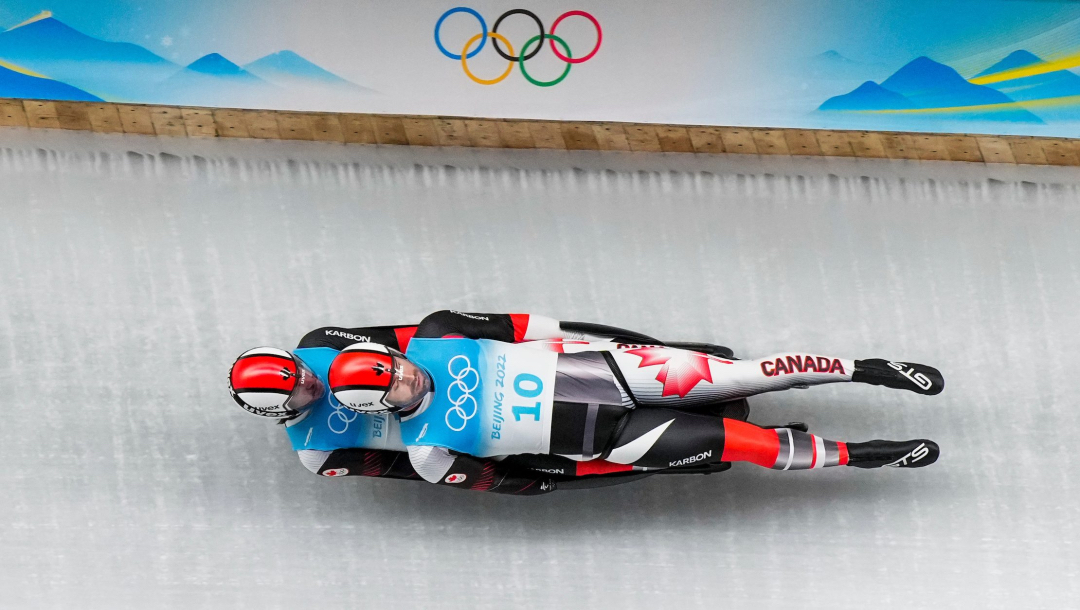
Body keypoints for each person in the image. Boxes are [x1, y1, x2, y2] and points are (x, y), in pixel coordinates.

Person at [325, 311, 945, 495]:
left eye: (398, 365)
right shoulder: (430, 452)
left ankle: (868, 369)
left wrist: (613, 339)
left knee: (751, 375)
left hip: (615, 370)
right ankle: (860, 455)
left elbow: (527, 324)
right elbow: (507, 481)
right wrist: (568, 479)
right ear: (383, 404)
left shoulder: (438, 333)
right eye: (394, 384)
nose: (406, 377)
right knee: (743, 444)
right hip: (610, 436)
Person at [229, 311, 736, 493]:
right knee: (569, 462)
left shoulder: (322, 340)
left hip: (481, 377)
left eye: (297, 372)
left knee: (578, 353)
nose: (307, 383)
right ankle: (701, 457)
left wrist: (490, 333)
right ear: (277, 410)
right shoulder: (319, 454)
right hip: (470, 435)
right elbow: (399, 468)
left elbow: (402, 339)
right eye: (295, 389)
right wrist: (509, 483)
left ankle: (687, 362)